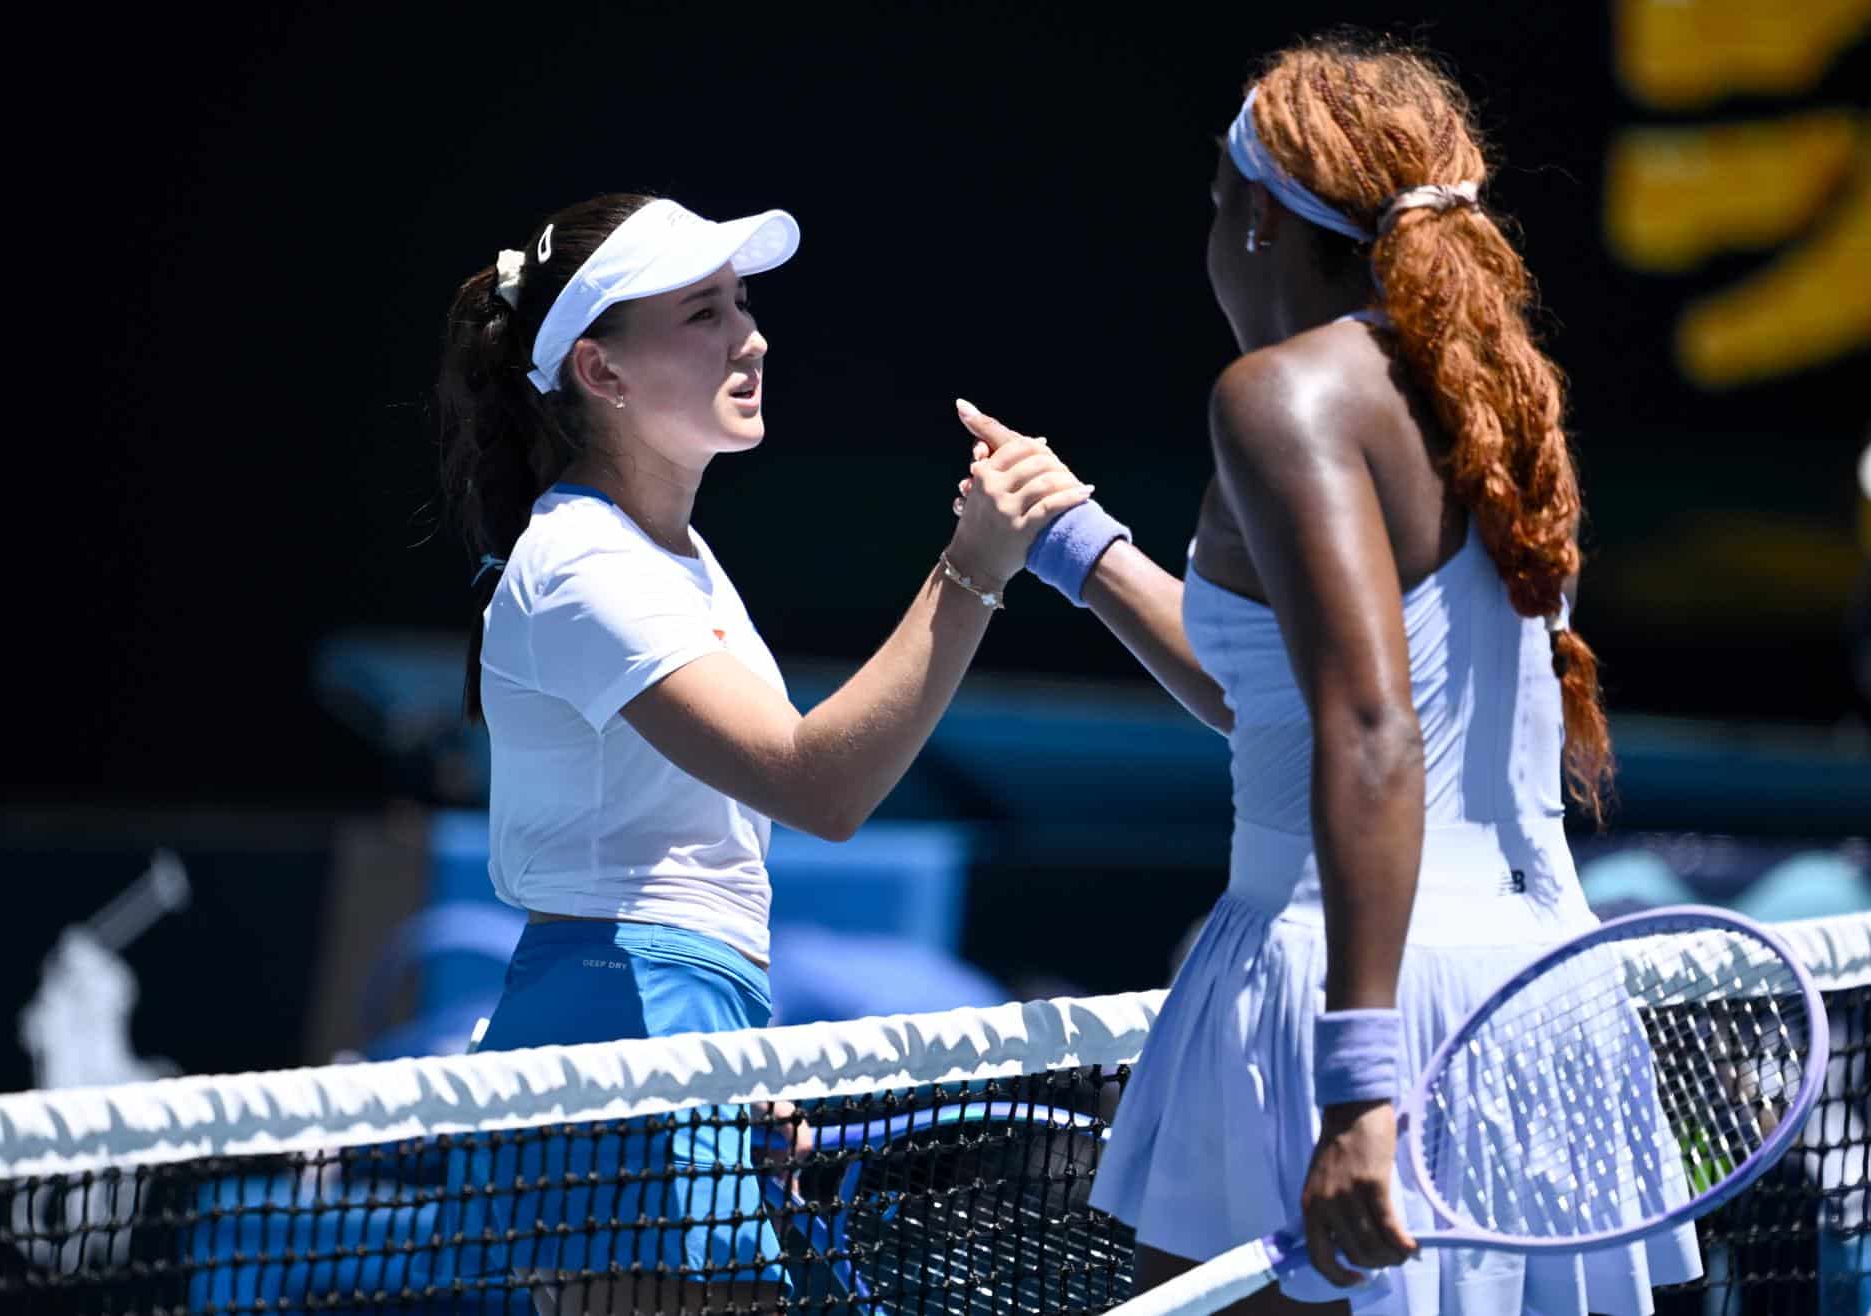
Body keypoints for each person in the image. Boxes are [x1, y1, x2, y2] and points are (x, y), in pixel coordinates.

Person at [953, 33, 1704, 1316]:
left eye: (1211, 202)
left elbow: (1369, 729)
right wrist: (1076, 542)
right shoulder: (1491, 396)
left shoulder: (1278, 395)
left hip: (1345, 993)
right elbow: (1289, 698)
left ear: (1259, 218)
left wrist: (1362, 1085)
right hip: (1535, 990)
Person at [434, 193, 1090, 1312]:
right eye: (703, 312)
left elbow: (696, 860)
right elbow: (818, 783)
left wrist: (743, 1054)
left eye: (741, 303)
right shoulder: (586, 566)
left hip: (670, 1020)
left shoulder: (672, 558)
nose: (752, 335)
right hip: (621, 1029)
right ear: (601, 371)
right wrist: (976, 562)